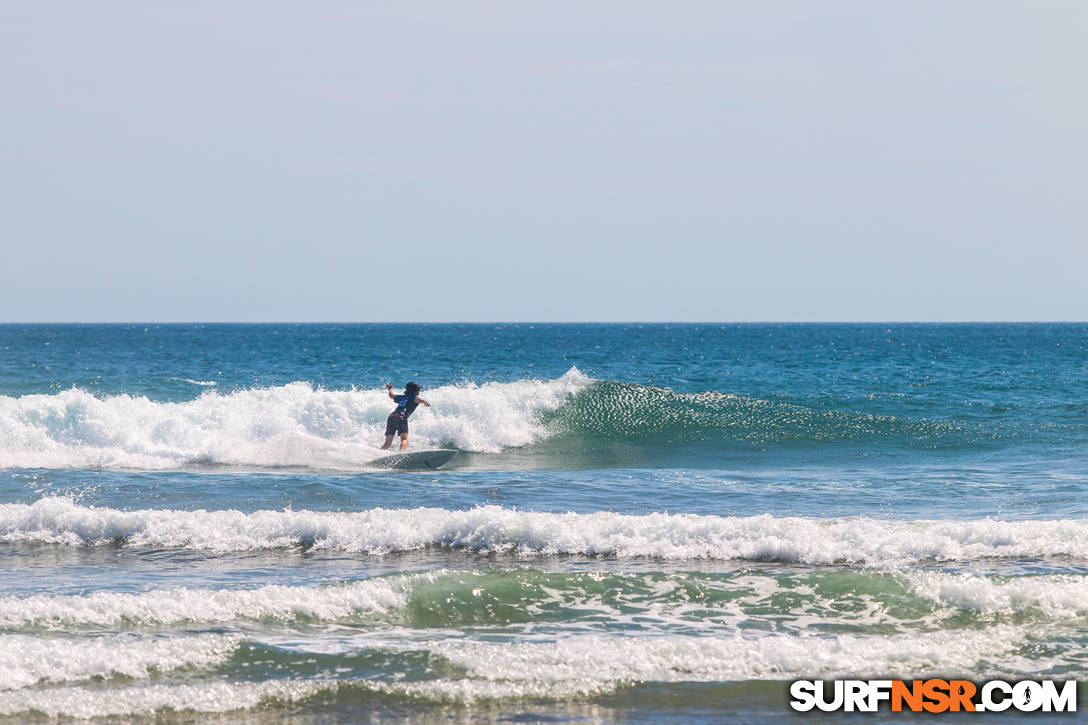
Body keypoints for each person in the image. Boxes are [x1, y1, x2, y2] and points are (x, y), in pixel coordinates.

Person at [380, 381, 431, 451]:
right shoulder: (414, 397)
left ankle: (379, 453)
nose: (419, 391)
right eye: (418, 389)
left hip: (392, 416)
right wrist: (425, 402)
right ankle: (400, 454)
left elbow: (391, 395)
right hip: (401, 416)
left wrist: (390, 389)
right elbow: (418, 399)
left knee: (387, 443)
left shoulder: (403, 397)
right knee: (404, 439)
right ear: (415, 391)